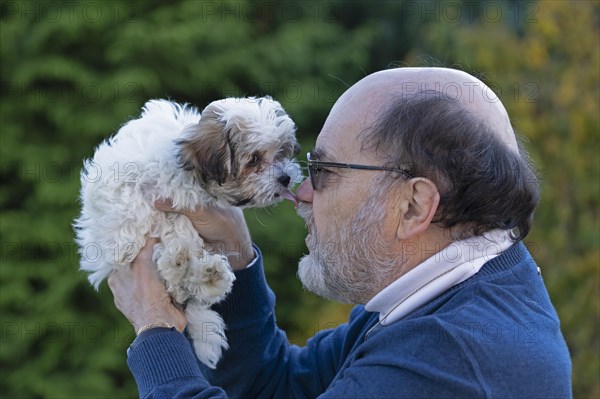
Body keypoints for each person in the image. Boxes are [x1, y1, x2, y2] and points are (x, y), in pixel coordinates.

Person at [108, 67, 572, 398]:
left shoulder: (447, 359)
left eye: (324, 170)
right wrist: (236, 256)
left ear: (413, 206)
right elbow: (278, 387)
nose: (304, 191)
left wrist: (156, 330)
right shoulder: (436, 299)